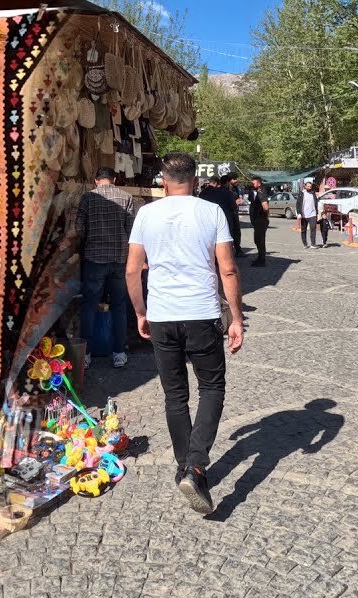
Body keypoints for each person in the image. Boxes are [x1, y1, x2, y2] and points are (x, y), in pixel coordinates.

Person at [126, 153, 245, 515]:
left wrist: (140, 312)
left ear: (164, 179)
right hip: (201, 313)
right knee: (212, 388)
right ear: (194, 180)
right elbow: (227, 269)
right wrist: (236, 317)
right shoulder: (211, 212)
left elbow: (132, 271)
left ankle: (185, 466)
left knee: (175, 395)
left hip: (163, 315)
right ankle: (194, 466)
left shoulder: (147, 214)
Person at [76, 167, 135, 369]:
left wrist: (88, 242)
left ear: (95, 180)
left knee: (89, 305)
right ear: (114, 179)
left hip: (94, 259)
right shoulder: (126, 197)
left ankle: (86, 355)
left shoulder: (88, 198)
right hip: (119, 259)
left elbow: (79, 229)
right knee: (119, 305)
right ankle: (119, 353)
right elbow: (131, 230)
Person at [200, 174, 242, 257]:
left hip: (207, 219)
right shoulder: (225, 192)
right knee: (225, 238)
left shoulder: (204, 192)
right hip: (225, 218)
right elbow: (232, 206)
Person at [246, 176, 270, 266]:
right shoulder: (253, 191)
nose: (252, 184)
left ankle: (261, 260)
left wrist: (266, 216)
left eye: (253, 183)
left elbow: (265, 207)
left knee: (260, 240)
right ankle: (259, 258)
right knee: (257, 240)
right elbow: (251, 203)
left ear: (259, 182)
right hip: (255, 219)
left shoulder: (262, 191)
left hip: (261, 219)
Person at [296, 180, 320, 249]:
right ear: (305, 186)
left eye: (310, 186)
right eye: (308, 186)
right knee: (303, 230)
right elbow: (298, 204)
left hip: (313, 214)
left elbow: (316, 203)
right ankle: (305, 244)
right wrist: (299, 213)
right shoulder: (301, 194)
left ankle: (313, 243)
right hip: (304, 214)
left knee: (313, 229)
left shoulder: (313, 193)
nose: (309, 187)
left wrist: (317, 213)